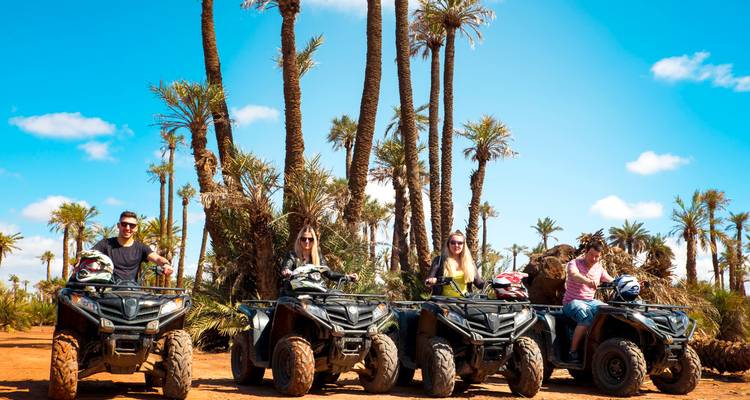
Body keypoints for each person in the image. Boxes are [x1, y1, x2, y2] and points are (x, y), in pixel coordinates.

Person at [562, 242, 613, 362]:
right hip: (572, 301)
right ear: (586, 252)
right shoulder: (574, 263)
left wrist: (628, 283)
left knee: (609, 312)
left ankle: (599, 348)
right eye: (591, 255)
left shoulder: (599, 268)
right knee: (585, 318)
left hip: (590, 301)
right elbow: (574, 275)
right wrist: (587, 281)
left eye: (597, 256)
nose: (593, 259)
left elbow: (612, 280)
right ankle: (572, 352)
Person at [92, 211, 173, 283]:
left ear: (136, 228)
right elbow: (88, 255)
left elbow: (157, 258)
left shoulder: (141, 248)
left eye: (132, 225)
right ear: (118, 225)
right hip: (107, 292)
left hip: (133, 291)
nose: (127, 228)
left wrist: (166, 264)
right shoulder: (105, 244)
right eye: (124, 224)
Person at [280, 225, 358, 285]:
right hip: (295, 292)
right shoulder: (292, 255)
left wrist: (347, 277)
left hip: (314, 293)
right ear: (299, 240)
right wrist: (286, 271)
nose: (307, 241)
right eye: (304, 239)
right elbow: (286, 266)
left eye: (310, 239)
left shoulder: (317, 256)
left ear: (314, 241)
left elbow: (329, 274)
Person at [424, 231, 484, 297]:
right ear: (448, 244)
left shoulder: (470, 263)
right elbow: (427, 281)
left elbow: (479, 284)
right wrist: (432, 280)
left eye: (460, 243)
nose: (456, 245)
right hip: (442, 302)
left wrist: (495, 282)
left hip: (465, 302)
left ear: (464, 245)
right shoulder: (439, 260)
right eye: (453, 243)